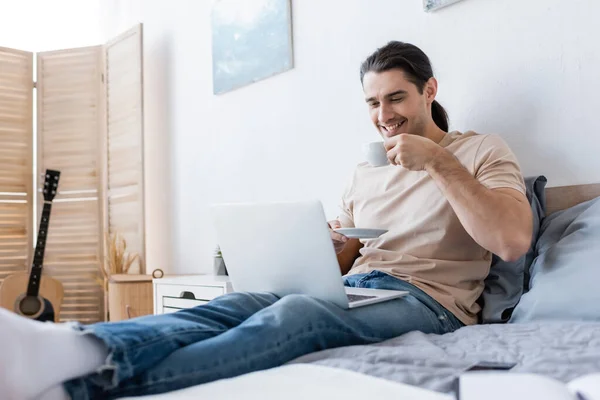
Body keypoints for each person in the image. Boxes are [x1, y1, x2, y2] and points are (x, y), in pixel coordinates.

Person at [0, 41, 533, 400]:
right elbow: (350, 254)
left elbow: (510, 241)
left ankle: (80, 385)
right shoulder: (364, 171)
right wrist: (324, 245)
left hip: (431, 304)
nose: (384, 114)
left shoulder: (481, 150)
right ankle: (73, 346)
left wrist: (437, 162)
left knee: (296, 315)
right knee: (234, 303)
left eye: (396, 98)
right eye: (373, 102)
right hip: (359, 287)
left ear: (429, 92)